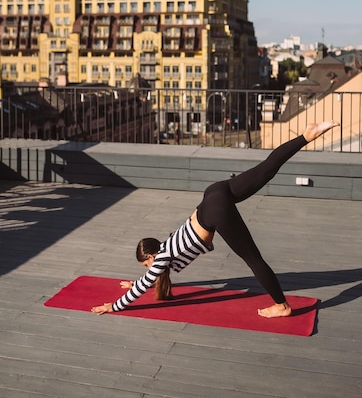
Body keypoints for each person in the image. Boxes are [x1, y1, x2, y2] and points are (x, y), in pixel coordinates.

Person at [91, 120, 339, 319]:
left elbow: (144, 285)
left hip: (215, 209)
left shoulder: (163, 257)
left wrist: (114, 306)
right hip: (214, 193)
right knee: (266, 168)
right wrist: (138, 280)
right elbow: (148, 279)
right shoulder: (165, 248)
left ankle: (282, 305)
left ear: (150, 257)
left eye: (147, 266)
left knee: (254, 260)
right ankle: (307, 136)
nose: (150, 271)